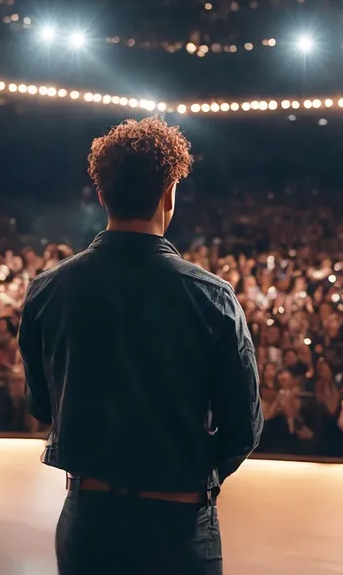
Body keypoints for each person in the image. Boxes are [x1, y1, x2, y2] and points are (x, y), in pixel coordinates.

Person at [18, 117, 263, 575]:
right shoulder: (211, 296)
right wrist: (188, 473)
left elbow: (42, 404)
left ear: (102, 194)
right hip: (178, 523)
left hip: (87, 519)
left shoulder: (47, 290)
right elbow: (242, 427)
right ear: (169, 193)